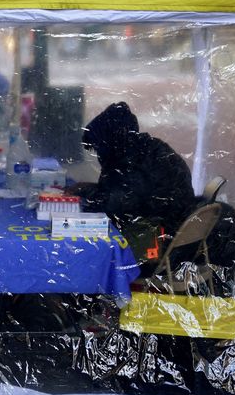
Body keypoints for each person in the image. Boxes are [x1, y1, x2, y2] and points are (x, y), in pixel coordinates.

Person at [71, 102, 196, 274]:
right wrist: (87, 189)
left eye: (98, 148)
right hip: (174, 233)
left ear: (109, 141)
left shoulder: (130, 162)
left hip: (158, 247)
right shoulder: (146, 149)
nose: (99, 154)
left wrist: (87, 195)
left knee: (84, 249)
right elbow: (125, 195)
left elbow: (114, 206)